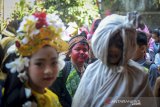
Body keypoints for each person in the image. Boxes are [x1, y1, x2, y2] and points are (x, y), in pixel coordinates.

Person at [72, 12, 157, 107]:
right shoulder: (91, 70)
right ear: (101, 42)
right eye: (110, 42)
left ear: (128, 46)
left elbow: (144, 103)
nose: (114, 49)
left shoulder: (138, 75)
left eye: (120, 44)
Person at [1, 12, 68, 107]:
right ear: (25, 65)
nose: (48, 70)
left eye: (54, 63)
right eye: (39, 64)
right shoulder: (15, 100)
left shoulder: (52, 97)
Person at [50, 33, 89, 107]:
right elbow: (54, 94)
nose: (82, 52)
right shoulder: (61, 68)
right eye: (77, 49)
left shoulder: (90, 70)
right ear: (70, 53)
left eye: (85, 50)